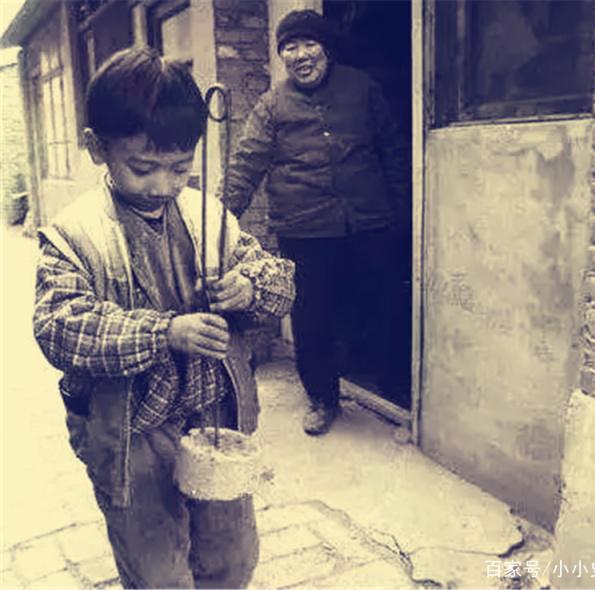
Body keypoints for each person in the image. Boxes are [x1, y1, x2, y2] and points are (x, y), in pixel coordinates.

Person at [32, 47, 295, 589]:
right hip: (132, 434)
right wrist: (164, 332)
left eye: (179, 167)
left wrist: (248, 288)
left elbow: (279, 282)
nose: (162, 185)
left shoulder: (208, 215)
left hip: (213, 417)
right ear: (97, 148)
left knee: (232, 556)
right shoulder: (74, 234)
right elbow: (59, 326)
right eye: (142, 168)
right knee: (157, 571)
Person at [224, 9, 409, 436]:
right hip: (304, 228)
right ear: (282, 56)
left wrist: (400, 212)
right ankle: (323, 398)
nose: (301, 55)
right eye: (290, 47)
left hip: (368, 220)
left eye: (309, 44)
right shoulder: (272, 105)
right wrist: (219, 218)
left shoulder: (362, 88)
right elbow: (246, 165)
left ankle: (392, 383)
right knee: (312, 317)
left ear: (326, 48)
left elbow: (393, 150)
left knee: (381, 302)